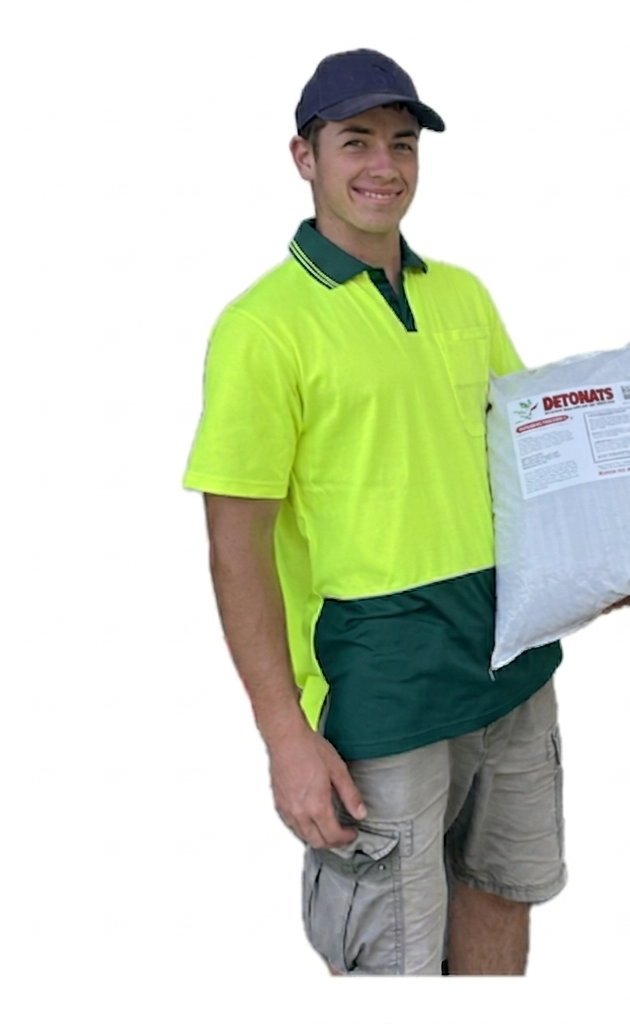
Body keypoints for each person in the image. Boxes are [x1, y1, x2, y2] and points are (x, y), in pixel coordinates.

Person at [183, 49, 566, 976]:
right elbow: (236, 545)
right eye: (355, 141)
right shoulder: (263, 327)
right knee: (390, 958)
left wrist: (600, 554)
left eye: (401, 143)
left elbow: (530, 455)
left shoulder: (462, 294)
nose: (383, 165)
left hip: (509, 664)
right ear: (303, 156)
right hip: (380, 684)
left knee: (500, 897)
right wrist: (284, 735)